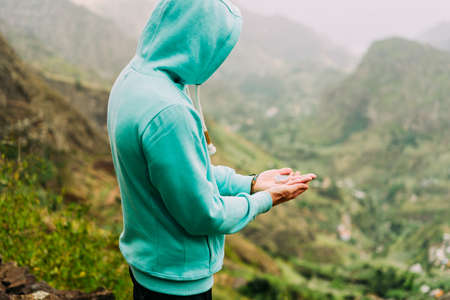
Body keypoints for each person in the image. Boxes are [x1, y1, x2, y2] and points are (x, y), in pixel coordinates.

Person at [106, 0, 316, 299]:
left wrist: (251, 182)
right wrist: (264, 200)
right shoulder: (170, 111)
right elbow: (204, 214)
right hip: (178, 283)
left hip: (150, 268)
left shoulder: (133, 79)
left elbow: (183, 175)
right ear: (198, 43)